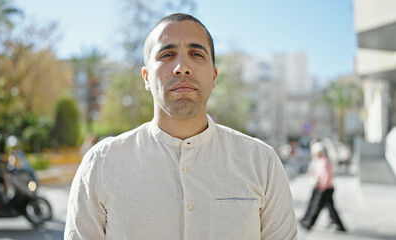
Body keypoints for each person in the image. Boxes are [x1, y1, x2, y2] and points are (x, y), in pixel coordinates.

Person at [65, 13, 297, 239]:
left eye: (196, 53)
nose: (182, 67)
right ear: (146, 77)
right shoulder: (102, 164)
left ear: (214, 76)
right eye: (167, 55)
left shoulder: (261, 163)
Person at [300, 141, 346, 232]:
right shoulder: (322, 161)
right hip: (326, 188)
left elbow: (327, 176)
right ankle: (341, 226)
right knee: (331, 209)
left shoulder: (324, 162)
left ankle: (309, 224)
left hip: (325, 188)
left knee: (317, 207)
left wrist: (321, 186)